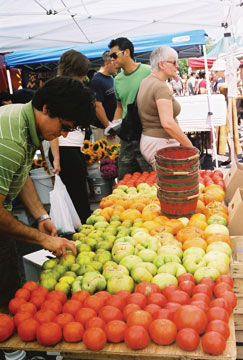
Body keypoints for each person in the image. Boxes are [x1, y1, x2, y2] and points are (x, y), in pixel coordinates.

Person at [0, 76, 95, 305]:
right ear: (46, 109)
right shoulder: (10, 140)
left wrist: (40, 215)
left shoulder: (23, 122)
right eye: (63, 127)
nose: (63, 135)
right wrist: (42, 239)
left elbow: (19, 176)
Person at [49, 49, 92, 224]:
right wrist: (56, 158)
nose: (83, 79)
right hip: (64, 149)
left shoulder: (69, 88)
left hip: (72, 148)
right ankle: (79, 229)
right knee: (76, 193)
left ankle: (80, 226)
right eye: (82, 74)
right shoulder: (58, 90)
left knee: (78, 190)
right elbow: (52, 128)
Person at [137, 46, 193, 169]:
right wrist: (190, 147)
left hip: (152, 141)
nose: (177, 66)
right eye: (174, 62)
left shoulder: (146, 81)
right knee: (174, 185)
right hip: (161, 143)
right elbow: (168, 123)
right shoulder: (160, 87)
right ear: (161, 65)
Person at [108, 37, 152, 179]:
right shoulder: (117, 80)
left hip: (147, 133)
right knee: (125, 177)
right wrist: (113, 126)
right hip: (127, 135)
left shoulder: (148, 71)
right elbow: (120, 107)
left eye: (114, 55)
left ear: (126, 52)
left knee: (150, 176)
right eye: (110, 56)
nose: (112, 59)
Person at [89, 51, 117, 142]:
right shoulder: (97, 80)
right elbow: (97, 106)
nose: (117, 65)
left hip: (111, 127)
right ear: (107, 63)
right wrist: (108, 127)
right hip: (103, 129)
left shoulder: (110, 77)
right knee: (107, 155)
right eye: (115, 63)